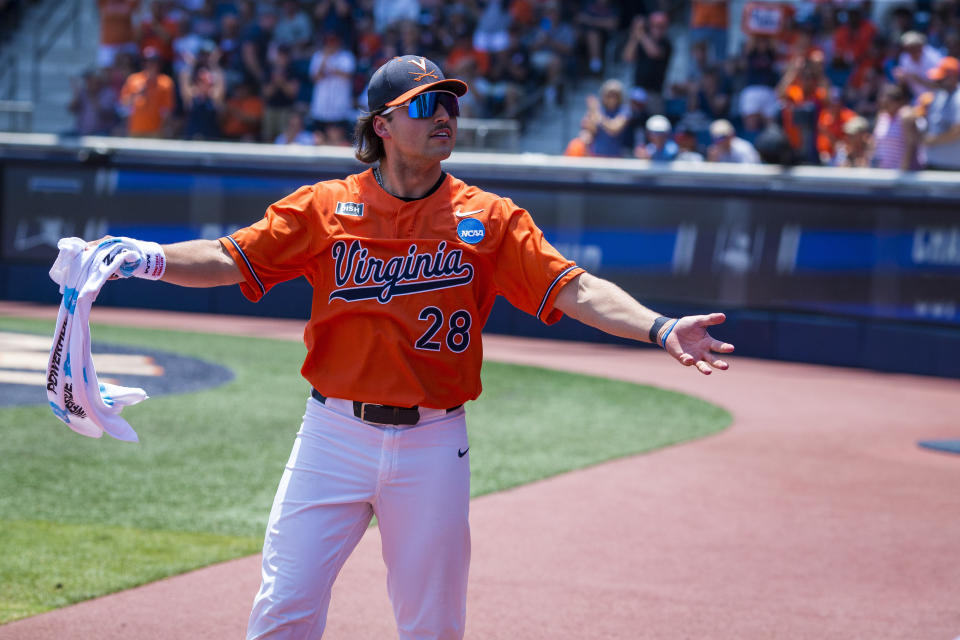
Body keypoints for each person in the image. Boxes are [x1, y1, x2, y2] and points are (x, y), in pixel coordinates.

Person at [86, 55, 734, 639]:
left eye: (450, 103)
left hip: (432, 444)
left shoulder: (491, 217)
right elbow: (229, 257)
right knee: (284, 607)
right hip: (332, 435)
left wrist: (659, 327)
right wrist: (145, 257)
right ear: (383, 126)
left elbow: (576, 288)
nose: (444, 116)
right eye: (425, 104)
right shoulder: (325, 207)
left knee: (432, 627)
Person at [118, 48, 176, 137]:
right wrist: (137, 93)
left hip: (156, 131)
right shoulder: (133, 79)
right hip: (135, 129)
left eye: (153, 62)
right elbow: (124, 104)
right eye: (147, 61)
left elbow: (167, 110)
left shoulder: (165, 82)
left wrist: (163, 128)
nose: (150, 65)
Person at [871, 83, 921, 170]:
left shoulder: (905, 116)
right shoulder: (881, 116)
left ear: (897, 102)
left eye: (887, 102)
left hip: (902, 173)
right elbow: (876, 142)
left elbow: (911, 143)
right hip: (882, 170)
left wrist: (903, 168)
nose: (883, 104)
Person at [922, 56, 960, 170]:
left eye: (942, 78)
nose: (938, 81)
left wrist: (932, 140)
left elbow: (958, 131)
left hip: (953, 167)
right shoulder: (940, 94)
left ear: (953, 77)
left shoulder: (958, 98)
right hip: (934, 163)